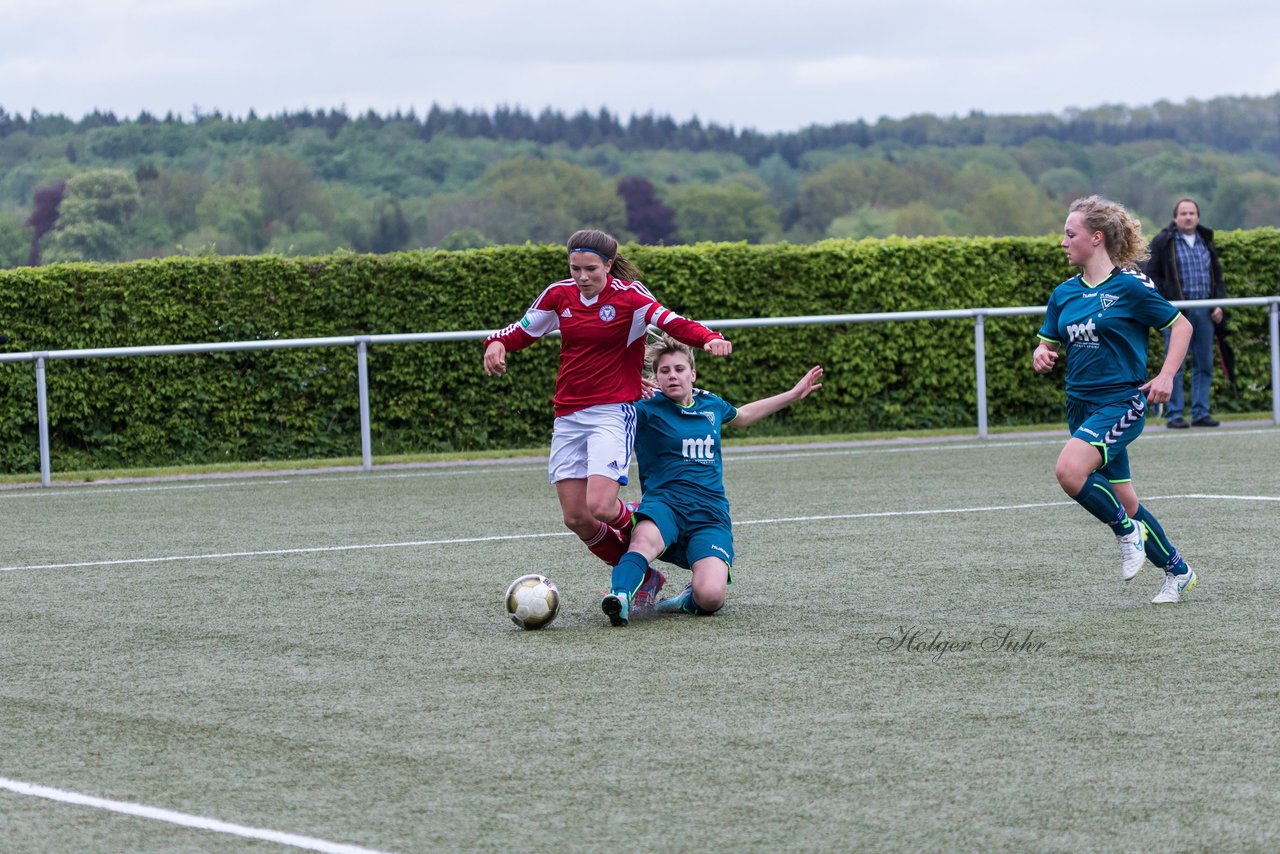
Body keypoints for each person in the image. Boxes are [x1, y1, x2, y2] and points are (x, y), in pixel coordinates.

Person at [483, 229, 732, 606]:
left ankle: (651, 518)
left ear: (608, 266)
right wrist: (497, 343)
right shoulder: (558, 294)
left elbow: (672, 321)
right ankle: (645, 576)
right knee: (577, 517)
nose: (582, 277)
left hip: (612, 412)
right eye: (575, 268)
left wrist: (707, 338)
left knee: (601, 505)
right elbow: (521, 331)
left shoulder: (630, 297)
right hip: (568, 416)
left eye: (590, 269)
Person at [1033, 195, 1199, 604]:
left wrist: (1166, 375)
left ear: (1096, 237)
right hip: (1080, 406)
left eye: (1070, 234)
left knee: (1069, 471)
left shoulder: (1129, 285)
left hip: (1122, 403)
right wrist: (1042, 353)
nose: (1063, 241)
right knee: (1125, 499)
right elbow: (1047, 342)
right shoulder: (1064, 293)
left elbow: (1181, 327)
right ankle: (1178, 571)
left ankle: (1127, 532)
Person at [600, 335, 823, 626]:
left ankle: (685, 600)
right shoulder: (644, 407)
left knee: (711, 597)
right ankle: (620, 597)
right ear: (655, 378)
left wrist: (792, 395)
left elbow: (742, 416)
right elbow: (605, 409)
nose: (672, 376)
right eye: (664, 371)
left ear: (692, 373)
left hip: (709, 515)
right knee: (643, 540)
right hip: (665, 506)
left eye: (679, 369)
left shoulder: (711, 404)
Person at [1143, 197, 1227, 428]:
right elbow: (1152, 275)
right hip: (1177, 314)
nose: (1188, 217)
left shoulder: (1206, 240)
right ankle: (1175, 414)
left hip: (1205, 312)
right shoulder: (1164, 240)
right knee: (1175, 365)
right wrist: (1164, 306)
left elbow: (1217, 277)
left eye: (1191, 213)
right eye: (1183, 213)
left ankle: (1201, 412)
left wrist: (1219, 303)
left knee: (1205, 364)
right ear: (1175, 217)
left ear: (1197, 217)